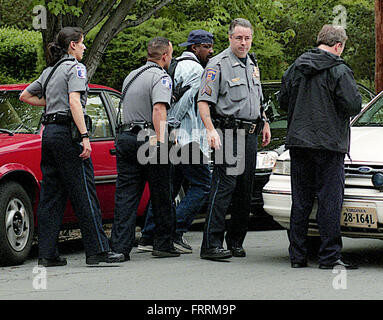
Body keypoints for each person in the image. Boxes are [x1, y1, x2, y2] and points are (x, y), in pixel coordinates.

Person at [19, 26, 124, 266]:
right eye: (83, 42)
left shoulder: (50, 71)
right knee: (84, 191)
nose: (85, 47)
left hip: (50, 134)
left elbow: (25, 95)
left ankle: (47, 254)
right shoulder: (76, 68)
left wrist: (52, 101)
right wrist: (85, 136)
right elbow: (75, 102)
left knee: (51, 196)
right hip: (68, 134)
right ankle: (97, 251)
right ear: (73, 45)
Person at [278, 25, 362, 269]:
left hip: (299, 141)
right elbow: (353, 105)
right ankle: (329, 256)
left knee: (301, 200)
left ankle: (297, 255)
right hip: (329, 143)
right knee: (329, 200)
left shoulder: (296, 67)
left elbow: (283, 101)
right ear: (338, 46)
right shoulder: (339, 70)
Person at [197, 18, 271, 260]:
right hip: (227, 133)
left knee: (244, 189)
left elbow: (256, 97)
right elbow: (203, 102)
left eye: (247, 38)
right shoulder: (217, 65)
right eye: (239, 38)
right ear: (230, 38)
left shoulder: (252, 63)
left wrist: (265, 121)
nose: (243, 42)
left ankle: (235, 241)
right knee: (224, 187)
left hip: (250, 134)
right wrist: (209, 130)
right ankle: (211, 244)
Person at [138, 30, 213, 254]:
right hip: (185, 137)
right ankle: (174, 231)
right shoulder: (196, 69)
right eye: (206, 46)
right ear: (194, 48)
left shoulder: (174, 65)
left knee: (168, 188)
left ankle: (149, 234)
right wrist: (173, 124)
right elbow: (187, 99)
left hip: (172, 136)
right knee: (203, 184)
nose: (210, 51)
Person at [110, 37, 180, 259]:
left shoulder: (132, 76)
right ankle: (163, 243)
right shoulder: (161, 77)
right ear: (165, 56)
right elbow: (159, 109)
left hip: (126, 137)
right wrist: (161, 143)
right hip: (149, 138)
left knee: (126, 194)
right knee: (162, 193)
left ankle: (119, 248)